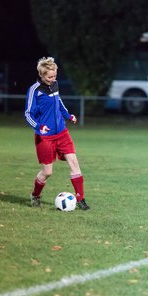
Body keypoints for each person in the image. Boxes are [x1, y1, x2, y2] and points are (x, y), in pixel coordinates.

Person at [24, 57, 90, 211]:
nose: (53, 79)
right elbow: (28, 114)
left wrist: (68, 115)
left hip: (62, 132)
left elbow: (58, 102)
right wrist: (39, 127)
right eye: (49, 77)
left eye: (55, 76)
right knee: (47, 172)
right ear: (41, 74)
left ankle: (81, 199)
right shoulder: (35, 90)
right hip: (45, 137)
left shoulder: (55, 85)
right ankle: (35, 195)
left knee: (74, 162)